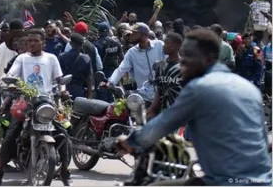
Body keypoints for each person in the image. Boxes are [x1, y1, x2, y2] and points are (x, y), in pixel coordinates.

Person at [118, 29, 272, 186]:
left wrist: (129, 142)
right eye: (182, 60)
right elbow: (263, 141)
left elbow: (160, 126)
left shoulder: (199, 88)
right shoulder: (249, 89)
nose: (182, 67)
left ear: (207, 59)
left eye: (187, 60)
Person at [0, 29, 64, 185]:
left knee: (63, 132)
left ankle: (65, 172)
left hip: (46, 102)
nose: (31, 43)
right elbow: (11, 75)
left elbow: (59, 80)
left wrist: (63, 93)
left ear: (43, 43)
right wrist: (8, 82)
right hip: (26, 102)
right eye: (29, 41)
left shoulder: (51, 58)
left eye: (35, 41)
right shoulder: (22, 59)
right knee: (11, 134)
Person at [105, 23, 164, 102]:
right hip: (143, 98)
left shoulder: (159, 45)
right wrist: (111, 82)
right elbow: (121, 69)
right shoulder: (131, 52)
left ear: (143, 35)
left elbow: (170, 64)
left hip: (163, 96)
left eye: (135, 33)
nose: (131, 36)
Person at [147, 32, 183, 119]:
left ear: (176, 46)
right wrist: (152, 108)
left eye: (167, 43)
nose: (163, 45)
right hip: (163, 114)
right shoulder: (160, 66)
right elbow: (159, 90)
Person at [59, 33, 93, 99]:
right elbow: (89, 79)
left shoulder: (62, 57)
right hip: (79, 90)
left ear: (70, 43)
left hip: (64, 90)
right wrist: (90, 95)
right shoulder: (86, 58)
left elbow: (59, 76)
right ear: (82, 45)